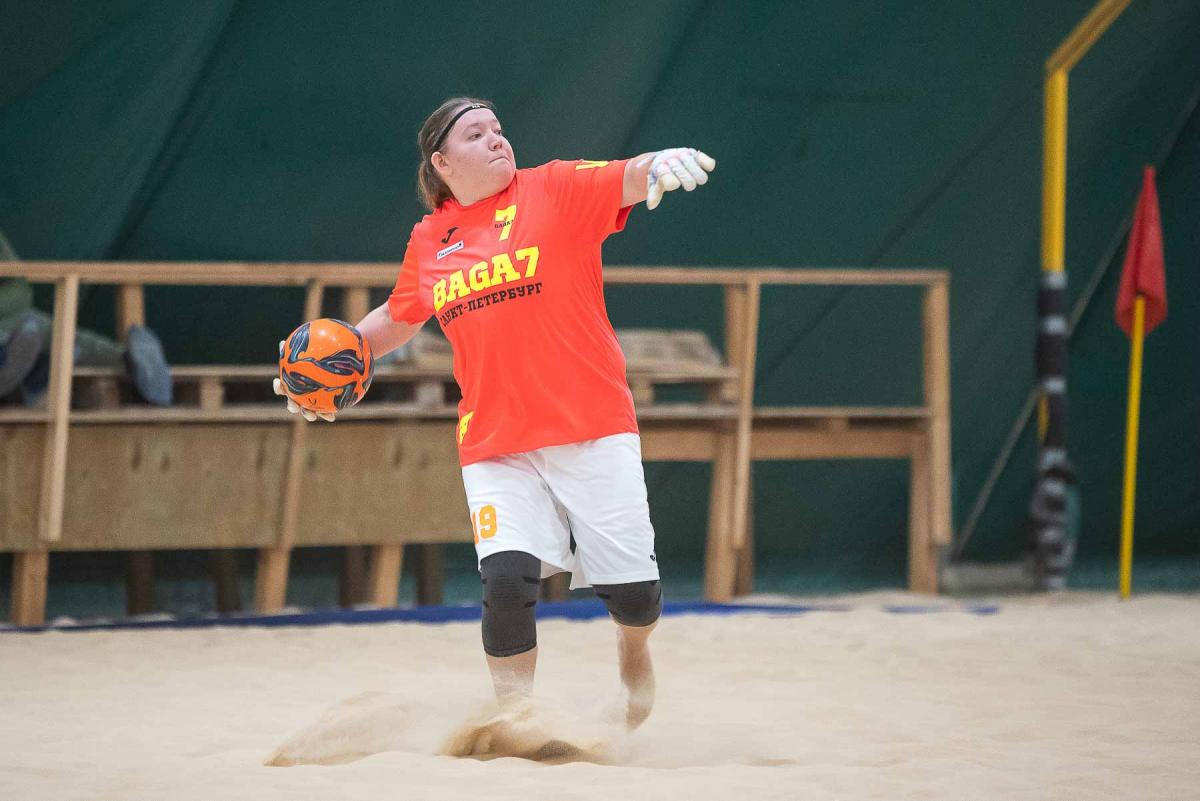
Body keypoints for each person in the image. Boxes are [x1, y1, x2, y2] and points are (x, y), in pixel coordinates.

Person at [274, 96, 715, 730]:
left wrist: (660, 163)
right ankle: (518, 721)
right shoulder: (431, 238)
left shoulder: (553, 188)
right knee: (506, 584)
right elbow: (399, 315)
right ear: (442, 161)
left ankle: (633, 649)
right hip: (495, 439)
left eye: (498, 130)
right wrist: (318, 371)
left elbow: (627, 175)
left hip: (591, 424)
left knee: (634, 598)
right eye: (476, 134)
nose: (496, 140)